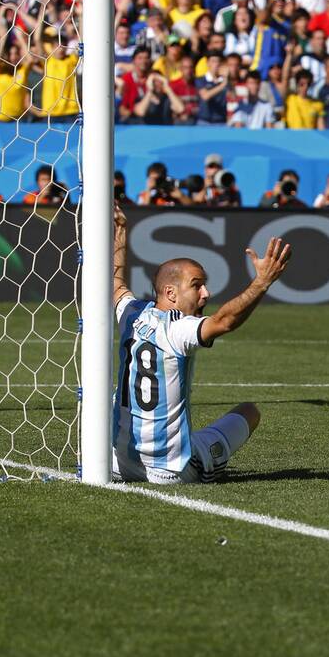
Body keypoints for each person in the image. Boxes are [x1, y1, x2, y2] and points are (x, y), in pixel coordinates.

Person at [110, 204, 292, 483]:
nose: (206, 293)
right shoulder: (178, 329)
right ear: (170, 293)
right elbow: (225, 321)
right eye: (197, 285)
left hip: (116, 462)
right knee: (249, 411)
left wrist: (120, 232)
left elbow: (115, 282)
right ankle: (199, 461)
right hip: (169, 471)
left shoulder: (130, 313)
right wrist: (262, 282)